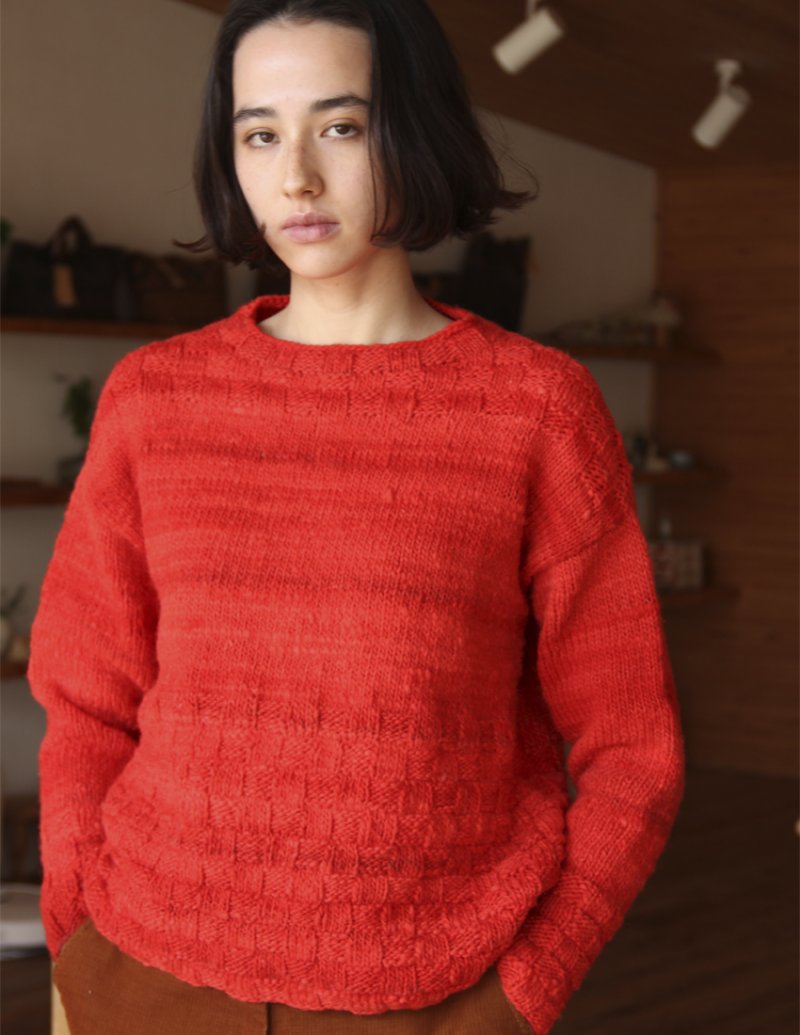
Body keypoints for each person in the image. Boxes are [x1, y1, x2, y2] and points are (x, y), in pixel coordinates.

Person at [28, 2, 686, 1034]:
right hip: (139, 973)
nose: (295, 176)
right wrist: (78, 931)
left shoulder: (536, 408)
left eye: (340, 126)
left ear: (415, 131)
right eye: (259, 134)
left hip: (432, 992)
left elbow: (632, 743)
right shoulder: (154, 398)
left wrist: (530, 983)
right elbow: (84, 700)